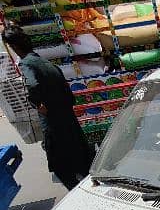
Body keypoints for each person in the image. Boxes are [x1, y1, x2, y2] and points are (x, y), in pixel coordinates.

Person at [1, 24, 94, 190]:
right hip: (69, 122)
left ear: (14, 47)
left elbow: (33, 84)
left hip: (54, 125)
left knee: (60, 167)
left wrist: (38, 104)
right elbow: (69, 95)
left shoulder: (27, 64)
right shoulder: (45, 62)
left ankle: (78, 195)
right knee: (81, 162)